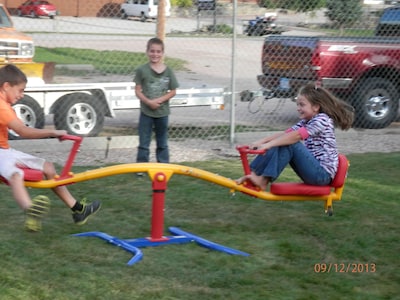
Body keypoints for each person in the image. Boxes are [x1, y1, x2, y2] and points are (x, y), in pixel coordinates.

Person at [0, 64, 101, 232]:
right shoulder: (2, 107)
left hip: (5, 151)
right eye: (20, 90)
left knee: (48, 167)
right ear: (6, 86)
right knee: (16, 175)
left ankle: (78, 210)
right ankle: (30, 211)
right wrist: (52, 132)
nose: (22, 95)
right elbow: (23, 131)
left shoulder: (5, 105)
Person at [236, 83, 354, 190]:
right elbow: (285, 134)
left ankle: (262, 180)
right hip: (314, 171)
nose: (298, 108)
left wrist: (267, 145)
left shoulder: (322, 120)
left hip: (322, 175)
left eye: (302, 105)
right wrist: (260, 142)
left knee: (289, 143)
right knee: (283, 142)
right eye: (297, 104)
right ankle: (253, 174)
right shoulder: (306, 121)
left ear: (316, 107)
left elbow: (296, 136)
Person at [134, 37, 179, 168]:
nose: (155, 54)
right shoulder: (142, 70)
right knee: (144, 142)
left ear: (162, 53)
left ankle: (164, 166)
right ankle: (141, 167)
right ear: (147, 52)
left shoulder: (168, 71)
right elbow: (137, 90)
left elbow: (173, 91)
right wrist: (148, 102)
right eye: (152, 51)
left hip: (162, 113)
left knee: (162, 142)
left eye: (158, 51)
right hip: (146, 112)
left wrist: (159, 101)